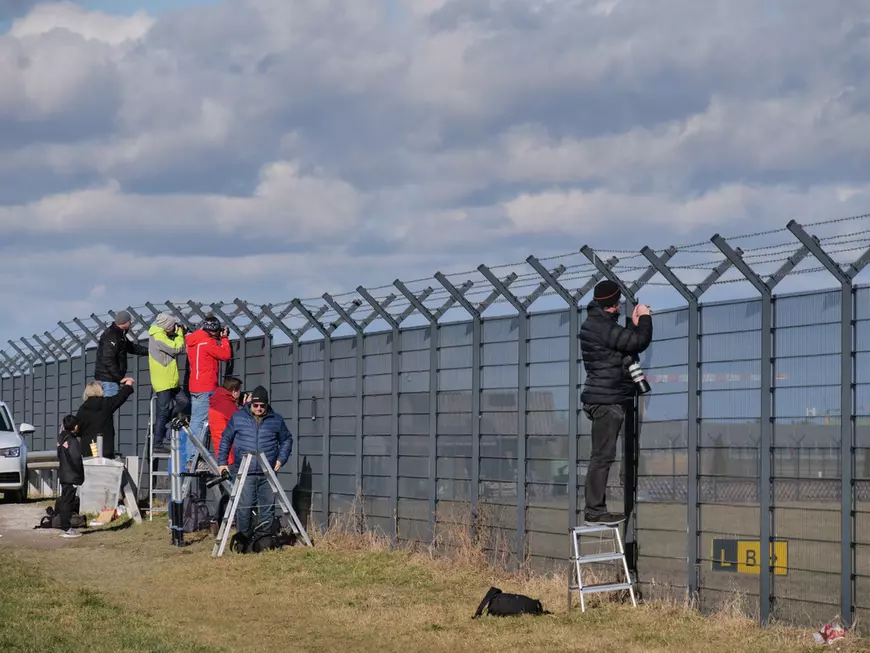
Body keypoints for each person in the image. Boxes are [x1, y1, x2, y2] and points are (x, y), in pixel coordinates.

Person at [579, 280, 653, 526]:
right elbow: (637, 342)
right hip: (607, 399)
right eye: (619, 302)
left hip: (603, 397)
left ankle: (595, 509)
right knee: (602, 456)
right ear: (613, 304)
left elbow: (621, 343)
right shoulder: (600, 326)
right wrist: (644, 319)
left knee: (603, 455)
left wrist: (631, 323)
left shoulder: (598, 324)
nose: (621, 305)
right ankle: (594, 511)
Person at [217, 386, 292, 541]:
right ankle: (244, 539)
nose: (259, 408)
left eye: (262, 406)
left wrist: (281, 459)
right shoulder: (238, 418)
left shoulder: (276, 420)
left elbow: (287, 440)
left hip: (267, 471)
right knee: (244, 507)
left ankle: (263, 539)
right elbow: (225, 439)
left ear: (267, 404)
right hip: (245, 471)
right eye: (255, 405)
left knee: (267, 507)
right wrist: (222, 462)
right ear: (250, 404)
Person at [185, 314, 232, 469]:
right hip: (206, 386)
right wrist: (224, 339)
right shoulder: (208, 341)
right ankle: (194, 458)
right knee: (200, 423)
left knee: (197, 421)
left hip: (195, 385)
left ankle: (195, 457)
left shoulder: (193, 339)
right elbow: (225, 355)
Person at [148, 312, 189, 454]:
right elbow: (177, 348)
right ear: (167, 327)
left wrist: (176, 333)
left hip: (170, 380)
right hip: (163, 380)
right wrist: (179, 334)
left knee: (184, 402)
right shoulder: (158, 337)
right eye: (172, 326)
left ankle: (164, 423)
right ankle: (157, 443)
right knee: (163, 410)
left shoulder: (162, 335)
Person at [76, 379, 135, 460]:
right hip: (105, 449)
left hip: (88, 450)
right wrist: (128, 383)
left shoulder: (82, 409)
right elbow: (121, 396)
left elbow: (78, 430)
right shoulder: (106, 403)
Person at [94, 311, 148, 397]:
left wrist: (150, 351)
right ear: (126, 322)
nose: (130, 323)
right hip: (108, 380)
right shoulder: (113, 336)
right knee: (108, 407)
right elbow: (108, 359)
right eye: (130, 321)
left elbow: (131, 347)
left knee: (106, 408)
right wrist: (120, 378)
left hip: (109, 378)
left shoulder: (119, 334)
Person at [56, 414, 84, 539]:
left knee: (65, 500)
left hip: (63, 473)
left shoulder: (61, 438)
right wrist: (80, 475)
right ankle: (66, 528)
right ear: (76, 426)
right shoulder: (73, 441)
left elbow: (59, 456)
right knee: (68, 501)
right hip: (71, 475)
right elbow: (76, 459)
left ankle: (65, 527)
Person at [208, 376, 244, 470]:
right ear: (234, 391)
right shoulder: (226, 405)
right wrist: (247, 405)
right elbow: (242, 422)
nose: (240, 393)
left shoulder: (218, 400)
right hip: (230, 454)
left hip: (222, 451)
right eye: (239, 390)